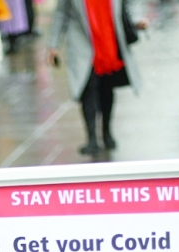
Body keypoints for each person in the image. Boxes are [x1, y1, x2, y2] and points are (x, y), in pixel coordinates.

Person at [47, 0, 147, 155]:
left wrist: (138, 20)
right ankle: (91, 138)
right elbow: (61, 13)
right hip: (82, 43)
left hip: (109, 42)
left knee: (106, 89)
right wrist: (53, 45)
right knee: (88, 90)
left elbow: (129, 4)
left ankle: (107, 132)